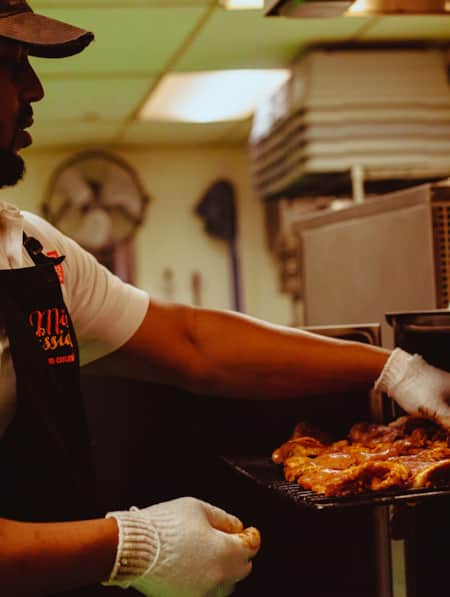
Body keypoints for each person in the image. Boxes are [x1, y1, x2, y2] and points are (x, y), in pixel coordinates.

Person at [1, 1, 450, 596]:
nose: (34, 87)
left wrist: (394, 368)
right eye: (11, 63)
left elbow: (193, 342)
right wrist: (132, 546)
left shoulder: (25, 246)